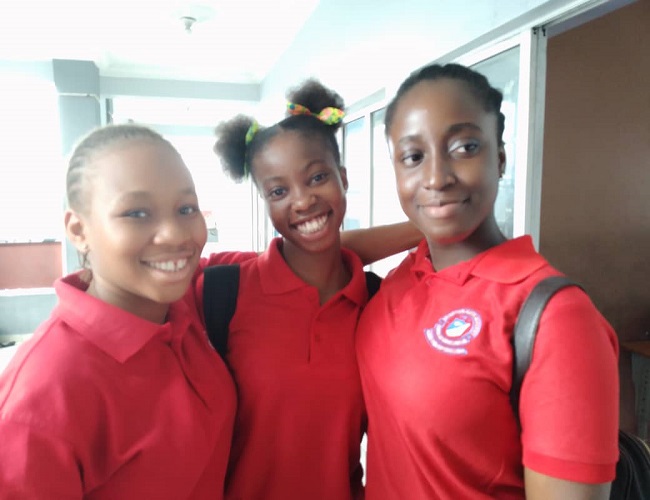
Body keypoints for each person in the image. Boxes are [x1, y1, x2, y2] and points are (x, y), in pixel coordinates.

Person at [355, 63, 619, 499]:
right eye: (413, 157)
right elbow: (315, 253)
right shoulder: (402, 279)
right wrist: (430, 217)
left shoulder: (557, 318)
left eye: (465, 147)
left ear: (500, 158)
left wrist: (435, 211)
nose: (436, 177)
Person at [203, 79, 421, 500]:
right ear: (265, 201)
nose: (302, 201)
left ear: (343, 178)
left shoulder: (379, 303)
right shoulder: (223, 288)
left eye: (317, 177)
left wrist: (430, 224)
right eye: (278, 191)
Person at [0, 124, 237, 498]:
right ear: (79, 230)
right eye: (137, 213)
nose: (176, 234)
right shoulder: (43, 396)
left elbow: (285, 261)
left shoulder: (182, 304)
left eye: (186, 208)